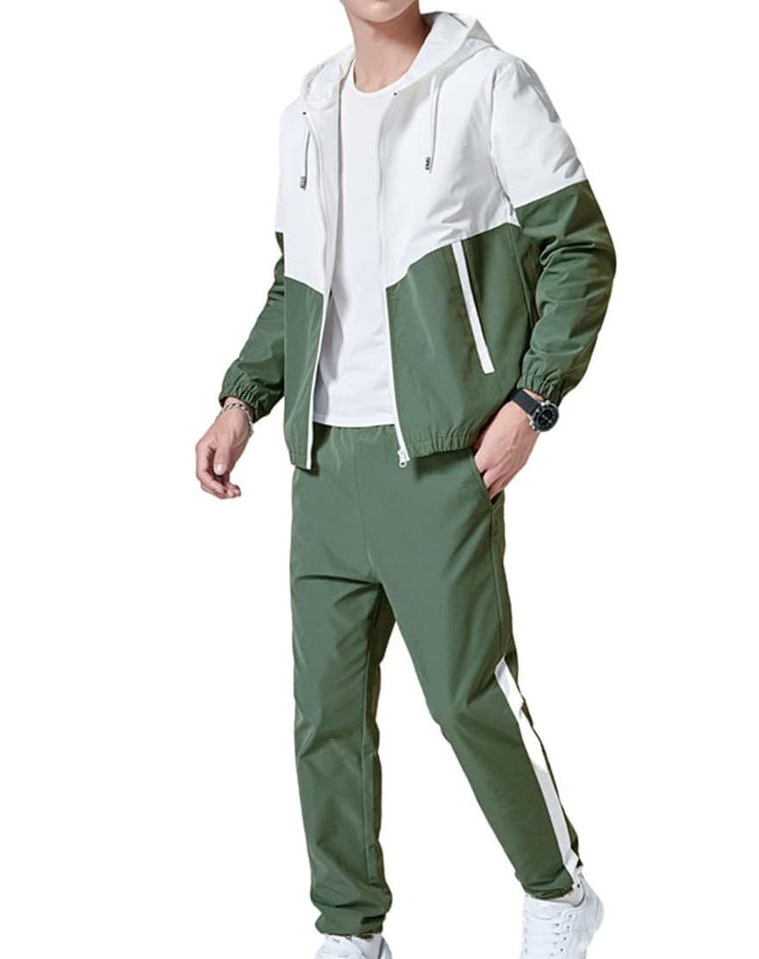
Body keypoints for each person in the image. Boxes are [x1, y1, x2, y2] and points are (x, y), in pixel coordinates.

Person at [195, 4, 615, 957]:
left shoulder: (489, 84)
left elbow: (581, 247)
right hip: (323, 459)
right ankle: (352, 929)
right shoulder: (306, 111)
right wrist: (241, 401)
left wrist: (533, 401)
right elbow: (294, 284)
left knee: (468, 697)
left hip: (436, 457)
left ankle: (559, 892)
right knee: (327, 716)